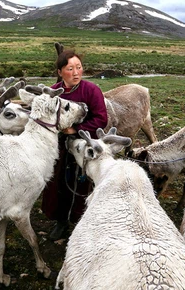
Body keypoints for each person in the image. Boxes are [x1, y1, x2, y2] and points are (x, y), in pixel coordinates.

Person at [41, 49, 108, 241]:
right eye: (70, 68)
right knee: (58, 183)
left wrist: (76, 129)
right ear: (60, 71)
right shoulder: (53, 92)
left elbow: (101, 119)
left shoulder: (91, 90)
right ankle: (60, 221)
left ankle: (82, 222)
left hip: (84, 145)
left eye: (79, 67)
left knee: (82, 184)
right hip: (59, 147)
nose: (76, 72)